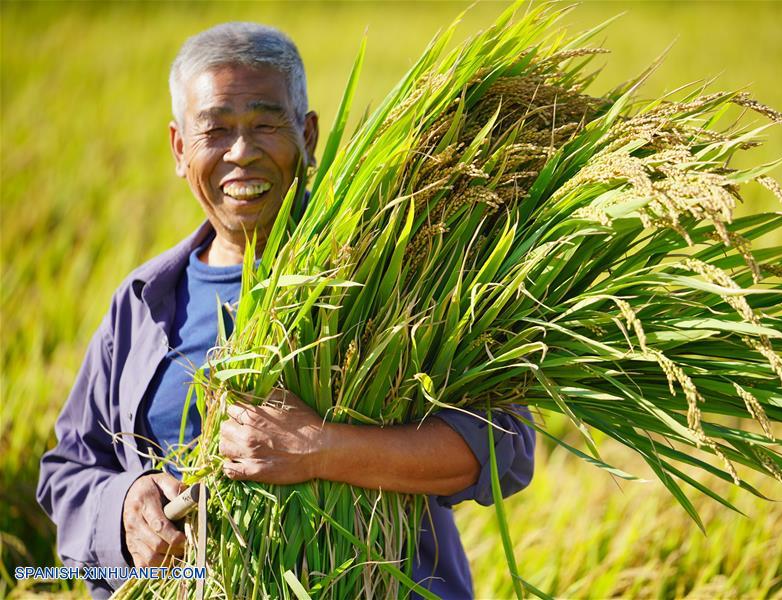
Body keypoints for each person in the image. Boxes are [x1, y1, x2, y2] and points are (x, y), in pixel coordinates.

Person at [36, 22, 535, 599]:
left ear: (309, 135)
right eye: (216, 130)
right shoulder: (143, 302)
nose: (241, 152)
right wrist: (125, 506)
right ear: (179, 148)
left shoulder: (391, 279)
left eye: (266, 124)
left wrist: (319, 447)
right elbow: (67, 470)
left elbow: (503, 445)